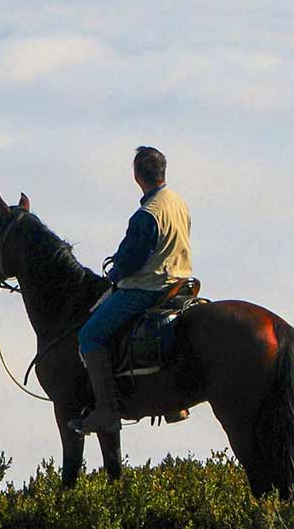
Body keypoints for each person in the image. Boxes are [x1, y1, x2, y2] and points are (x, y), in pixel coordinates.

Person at [69, 145, 193, 434]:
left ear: (137, 176)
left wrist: (115, 272)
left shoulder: (147, 214)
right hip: (180, 284)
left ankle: (106, 411)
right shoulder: (178, 203)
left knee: (90, 335)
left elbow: (132, 259)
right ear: (162, 172)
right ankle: (173, 400)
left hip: (148, 287)